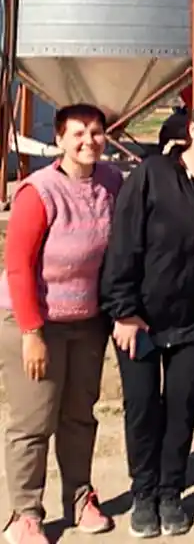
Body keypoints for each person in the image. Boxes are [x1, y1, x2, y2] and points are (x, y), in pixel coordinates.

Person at [99, 87, 194, 539]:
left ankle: (170, 493)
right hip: (138, 319)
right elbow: (123, 244)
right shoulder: (153, 174)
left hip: (193, 322)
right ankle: (143, 494)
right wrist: (122, 310)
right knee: (142, 408)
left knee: (181, 408)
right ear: (193, 129)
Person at [0, 104, 121, 544]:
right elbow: (17, 264)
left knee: (78, 416)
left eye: (96, 132)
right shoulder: (39, 191)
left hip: (88, 322)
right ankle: (25, 514)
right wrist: (32, 333)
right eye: (78, 133)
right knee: (34, 421)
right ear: (59, 139)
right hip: (36, 320)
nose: (88, 141)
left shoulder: (112, 181)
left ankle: (80, 497)